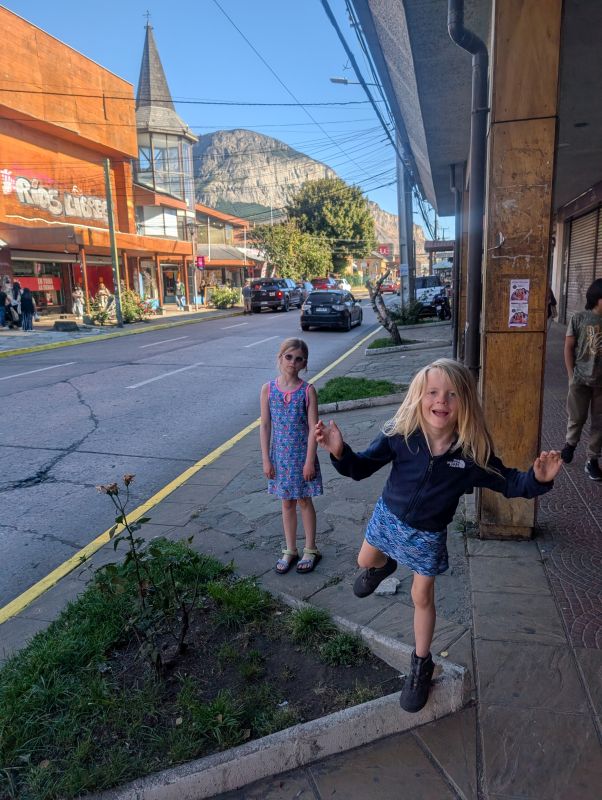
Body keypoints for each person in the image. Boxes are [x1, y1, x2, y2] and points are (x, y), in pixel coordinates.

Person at [315, 358, 562, 713]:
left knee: (421, 596)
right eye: (432, 392)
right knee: (364, 560)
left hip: (427, 536)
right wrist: (340, 451)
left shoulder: (471, 456)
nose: (441, 400)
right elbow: (361, 467)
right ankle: (383, 566)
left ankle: (421, 664)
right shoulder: (400, 435)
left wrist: (537, 479)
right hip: (388, 519)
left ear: (465, 402)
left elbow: (510, 482)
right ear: (419, 396)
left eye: (451, 394)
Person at [260, 338, 323, 575]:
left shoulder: (307, 391)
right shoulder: (268, 389)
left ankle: (310, 548)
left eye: (298, 359)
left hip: (302, 457)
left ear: (304, 364)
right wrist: (266, 459)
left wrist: (309, 461)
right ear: (280, 357)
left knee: (304, 500)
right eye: (288, 357)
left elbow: (313, 428)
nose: (292, 362)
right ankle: (290, 549)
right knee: (286, 502)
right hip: (280, 458)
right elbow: (265, 426)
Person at [560, 278, 602, 481]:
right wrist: (571, 375)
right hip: (580, 379)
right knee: (576, 416)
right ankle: (571, 443)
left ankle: (592, 460)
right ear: (598, 298)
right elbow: (568, 348)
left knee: (599, 422)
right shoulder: (579, 318)